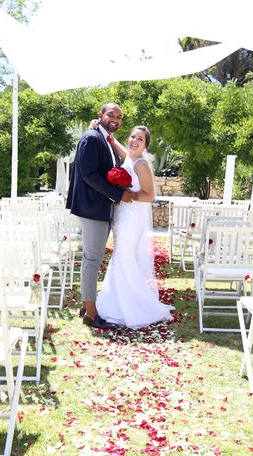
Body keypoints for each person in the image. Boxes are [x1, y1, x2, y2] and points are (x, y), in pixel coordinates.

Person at [66, 103, 138, 329]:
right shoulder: (91, 138)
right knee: (92, 259)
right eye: (110, 115)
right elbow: (88, 175)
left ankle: (86, 304)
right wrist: (119, 194)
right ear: (101, 115)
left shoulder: (105, 140)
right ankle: (91, 313)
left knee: (93, 258)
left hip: (102, 208)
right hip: (91, 209)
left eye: (119, 116)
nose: (115, 119)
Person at [95, 125, 174, 329]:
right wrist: (110, 138)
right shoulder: (130, 157)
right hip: (122, 216)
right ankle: (116, 301)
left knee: (124, 257)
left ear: (145, 145)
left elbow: (149, 196)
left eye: (140, 139)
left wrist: (126, 194)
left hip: (133, 219)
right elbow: (124, 152)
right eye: (132, 137)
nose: (134, 141)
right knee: (120, 256)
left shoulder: (141, 164)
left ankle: (132, 305)